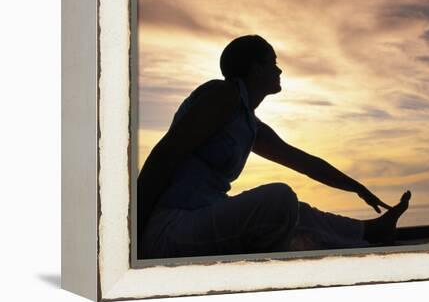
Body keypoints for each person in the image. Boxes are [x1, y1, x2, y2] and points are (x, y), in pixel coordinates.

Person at [137, 35, 411, 259]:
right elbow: (164, 156)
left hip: (200, 219)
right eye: (273, 63)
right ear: (256, 69)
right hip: (172, 228)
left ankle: (370, 231)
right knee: (280, 200)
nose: (278, 70)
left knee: (297, 211)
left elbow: (304, 162)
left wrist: (357, 188)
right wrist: (133, 236)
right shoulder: (221, 94)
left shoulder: (248, 122)